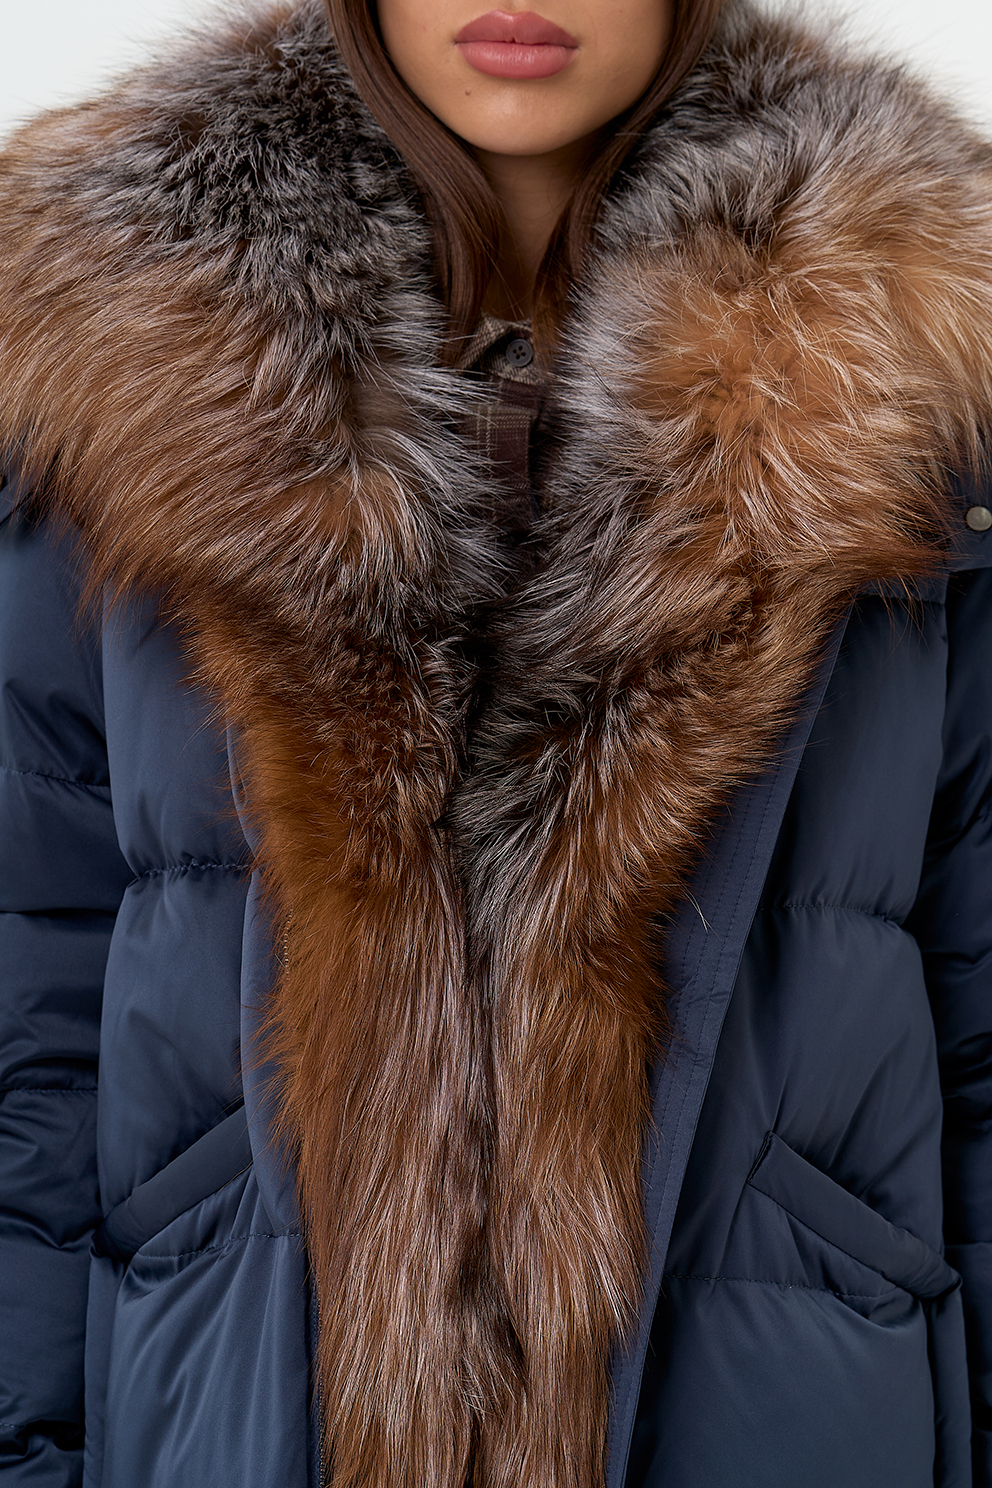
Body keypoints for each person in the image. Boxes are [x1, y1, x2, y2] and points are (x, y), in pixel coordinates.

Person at [1, 0, 991, 1483]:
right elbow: (35, 1004)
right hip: (234, 1387)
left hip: (785, 1402)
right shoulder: (114, 335)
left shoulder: (909, 357)